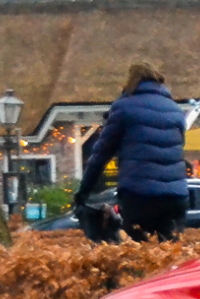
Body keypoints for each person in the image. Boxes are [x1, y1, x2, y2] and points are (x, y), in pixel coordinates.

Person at [74, 62, 189, 241]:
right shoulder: (175, 110)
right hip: (176, 196)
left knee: (137, 252)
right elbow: (178, 147)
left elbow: (101, 154)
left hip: (140, 194)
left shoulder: (124, 107)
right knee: (169, 252)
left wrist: (84, 192)